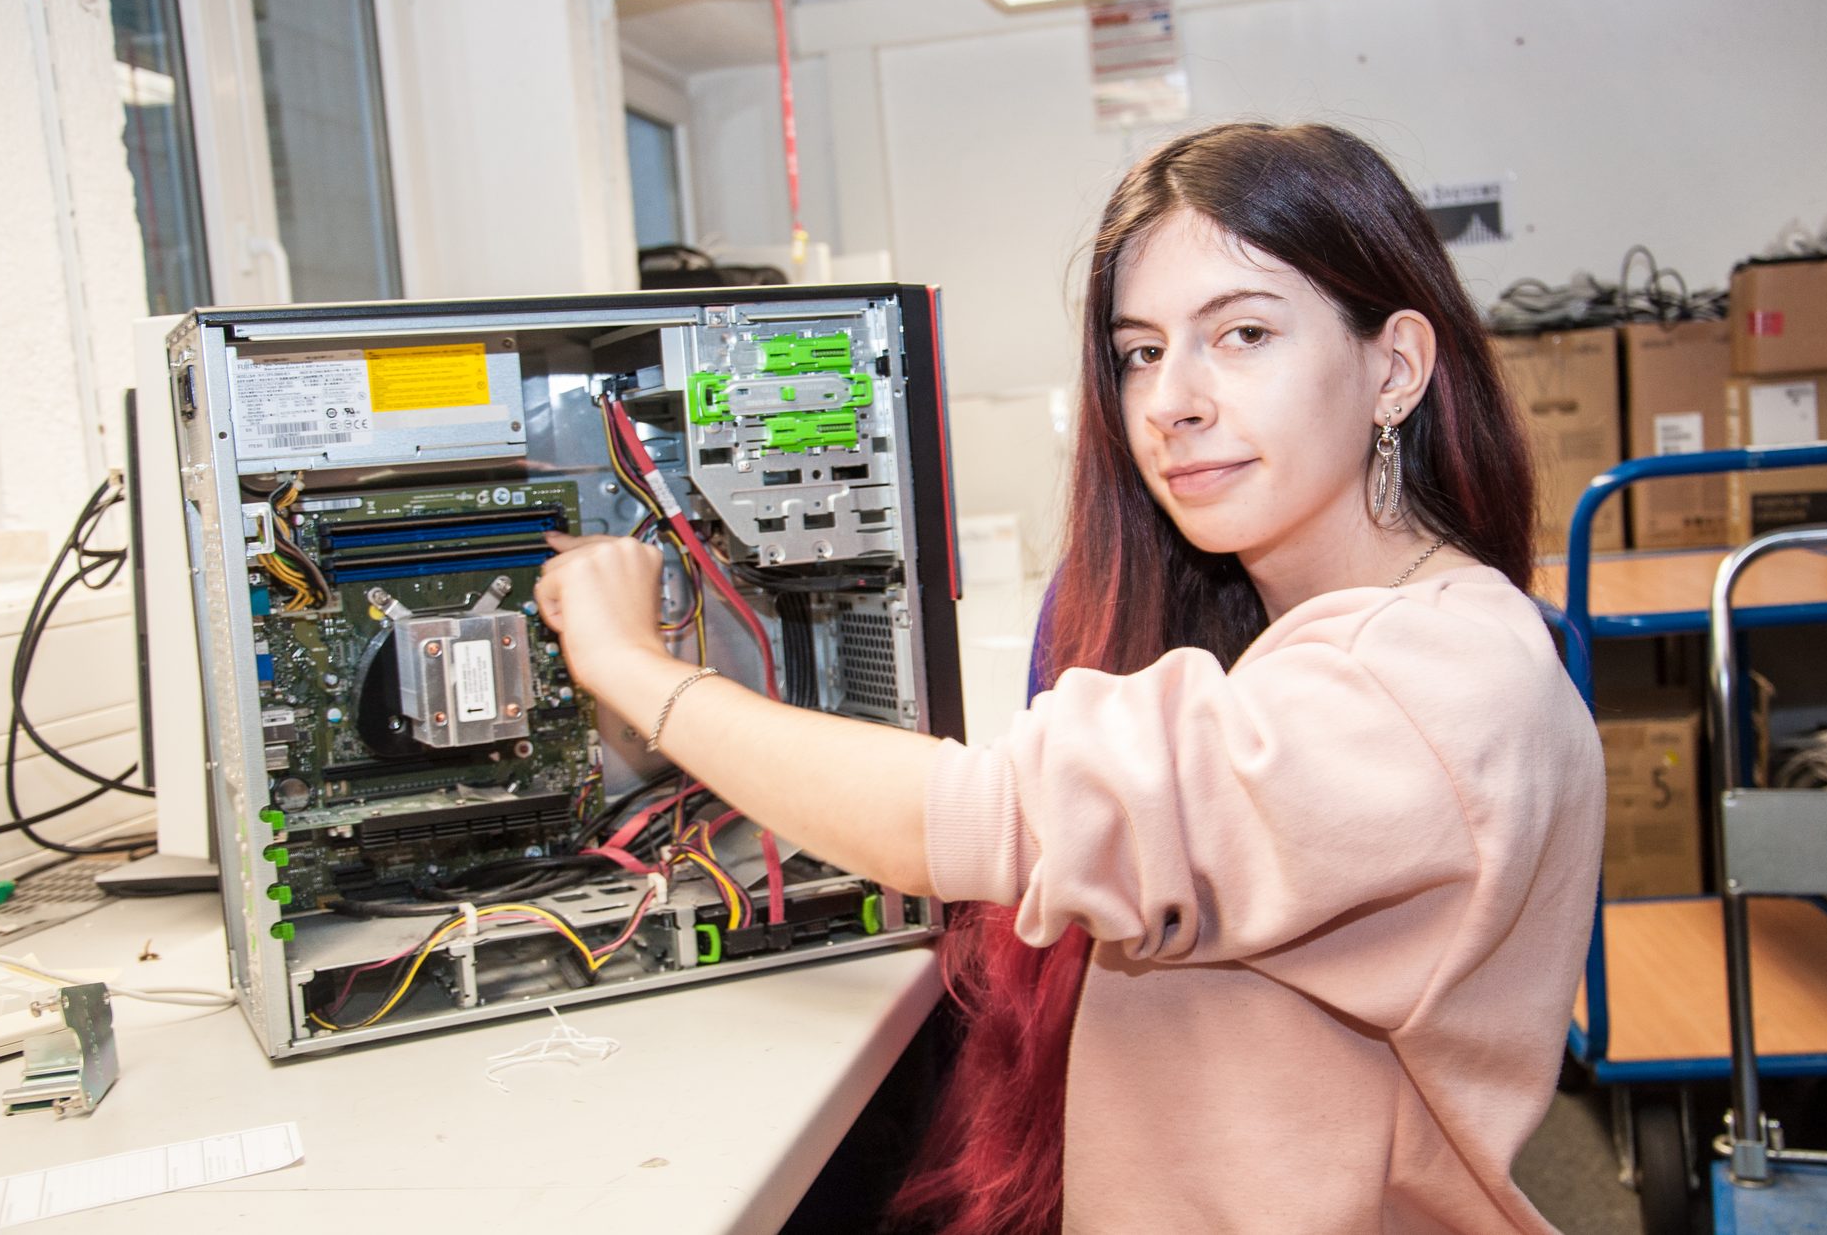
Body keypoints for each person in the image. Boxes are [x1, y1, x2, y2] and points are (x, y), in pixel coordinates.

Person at [536, 121, 1604, 1234]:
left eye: (1242, 333)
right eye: (1141, 350)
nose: (1170, 400)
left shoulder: (1429, 680)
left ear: (1395, 369)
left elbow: (969, 817)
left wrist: (630, 666)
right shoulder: (1324, 633)